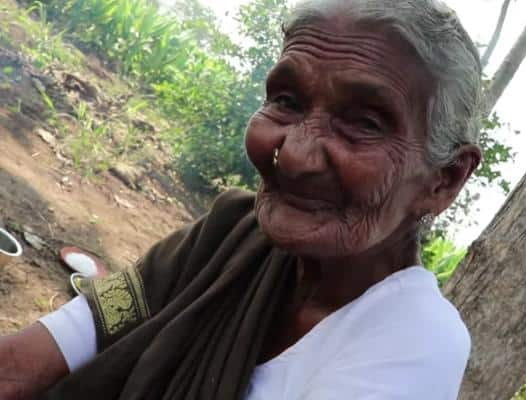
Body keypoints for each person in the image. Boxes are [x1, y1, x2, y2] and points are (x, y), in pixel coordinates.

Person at [0, 0, 483, 398]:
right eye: (287, 102)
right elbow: (48, 349)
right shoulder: (226, 236)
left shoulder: (415, 341)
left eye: (364, 124)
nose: (294, 155)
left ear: (443, 180)